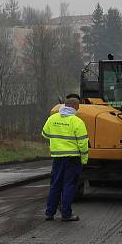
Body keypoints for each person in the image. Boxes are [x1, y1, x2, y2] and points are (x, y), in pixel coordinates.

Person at [41, 94, 88, 222]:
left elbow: (45, 134)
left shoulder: (52, 119)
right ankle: (66, 214)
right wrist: (84, 160)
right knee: (69, 185)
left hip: (57, 158)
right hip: (72, 158)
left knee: (55, 185)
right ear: (76, 106)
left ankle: (49, 213)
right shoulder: (77, 122)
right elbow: (83, 144)